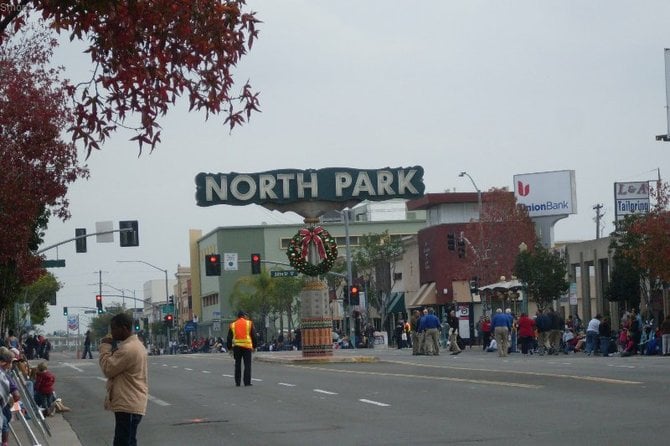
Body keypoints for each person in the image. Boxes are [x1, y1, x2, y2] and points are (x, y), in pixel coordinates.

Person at [99, 313, 149, 446]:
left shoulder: (128, 349)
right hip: (129, 402)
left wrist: (104, 348)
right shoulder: (134, 345)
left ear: (125, 328)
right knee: (128, 440)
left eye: (114, 328)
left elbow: (108, 369)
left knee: (123, 442)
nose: (112, 332)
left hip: (129, 403)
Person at [226, 310, 258, 386]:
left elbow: (229, 338)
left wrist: (229, 348)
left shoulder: (233, 325)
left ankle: (237, 382)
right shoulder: (249, 323)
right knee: (247, 365)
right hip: (247, 347)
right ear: (244, 316)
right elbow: (254, 336)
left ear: (238, 316)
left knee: (237, 364)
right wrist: (254, 346)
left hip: (237, 347)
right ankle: (247, 382)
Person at [0, 347, 20, 446]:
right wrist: (13, 401)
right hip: (3, 405)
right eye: (11, 362)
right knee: (4, 424)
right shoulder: (4, 375)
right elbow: (16, 395)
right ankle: (4, 442)